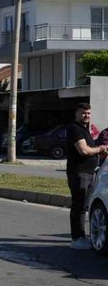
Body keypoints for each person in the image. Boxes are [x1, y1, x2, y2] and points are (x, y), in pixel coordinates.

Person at [66, 103, 107, 250]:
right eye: (83, 113)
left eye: (88, 113)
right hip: (79, 172)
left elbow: (90, 150)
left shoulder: (84, 130)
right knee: (79, 205)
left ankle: (81, 237)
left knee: (84, 205)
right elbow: (83, 150)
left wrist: (98, 151)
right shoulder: (75, 129)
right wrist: (99, 149)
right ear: (76, 113)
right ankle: (77, 238)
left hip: (88, 172)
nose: (86, 116)